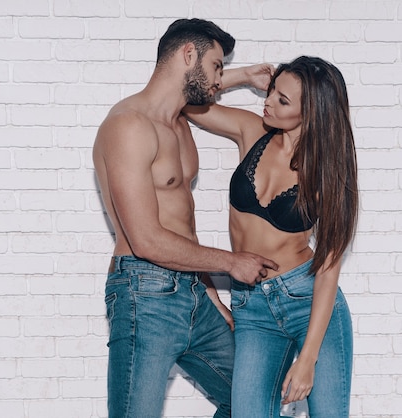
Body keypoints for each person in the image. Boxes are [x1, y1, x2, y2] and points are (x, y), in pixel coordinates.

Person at [92, 19, 278, 418]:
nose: (217, 78)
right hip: (144, 292)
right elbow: (146, 239)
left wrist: (210, 296)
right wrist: (231, 263)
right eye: (215, 65)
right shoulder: (128, 126)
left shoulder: (179, 123)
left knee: (257, 400)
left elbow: (183, 229)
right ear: (188, 54)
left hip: (194, 291)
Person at [183, 56, 358, 417]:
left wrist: (307, 359)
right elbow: (184, 100)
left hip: (308, 298)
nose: (268, 101)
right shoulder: (253, 132)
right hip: (253, 307)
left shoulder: (327, 171)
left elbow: (328, 267)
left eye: (283, 100)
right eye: (272, 90)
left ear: (311, 114)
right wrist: (242, 76)